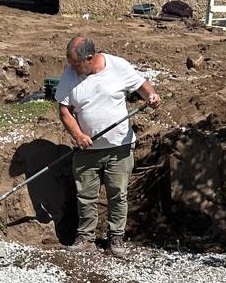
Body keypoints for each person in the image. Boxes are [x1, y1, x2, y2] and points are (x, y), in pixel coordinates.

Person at [55, 35, 160, 258]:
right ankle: (85, 238)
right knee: (85, 196)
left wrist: (150, 95)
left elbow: (142, 86)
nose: (72, 68)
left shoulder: (117, 66)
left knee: (118, 194)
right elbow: (64, 110)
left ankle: (116, 239)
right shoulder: (70, 74)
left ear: (90, 58)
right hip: (87, 150)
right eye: (71, 63)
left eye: (76, 63)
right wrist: (78, 135)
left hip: (118, 148)